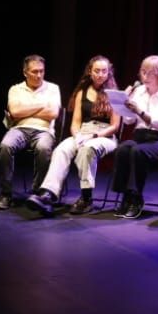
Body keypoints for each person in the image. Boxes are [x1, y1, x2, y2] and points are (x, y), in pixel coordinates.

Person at [27, 55, 120, 216]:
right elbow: (76, 123)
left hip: (104, 135)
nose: (100, 74)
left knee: (88, 149)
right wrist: (78, 136)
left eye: (104, 71)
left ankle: (86, 199)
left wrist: (94, 136)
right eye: (96, 71)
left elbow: (115, 126)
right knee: (62, 149)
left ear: (108, 73)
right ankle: (49, 194)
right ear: (90, 71)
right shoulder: (81, 92)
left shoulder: (114, 94)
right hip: (83, 132)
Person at [109, 55, 158, 219]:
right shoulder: (139, 91)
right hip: (140, 136)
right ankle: (125, 196)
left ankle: (136, 198)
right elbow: (128, 120)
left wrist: (139, 111)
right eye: (143, 72)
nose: (145, 77)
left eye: (150, 73)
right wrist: (123, 103)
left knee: (138, 151)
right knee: (123, 149)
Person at [0, 55, 60, 209]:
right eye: (34, 72)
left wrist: (26, 109)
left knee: (43, 148)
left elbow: (53, 113)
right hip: (19, 129)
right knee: (5, 146)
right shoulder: (15, 89)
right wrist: (41, 105)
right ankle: (6, 194)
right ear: (25, 72)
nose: (39, 75)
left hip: (44, 130)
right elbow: (15, 112)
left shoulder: (53, 88)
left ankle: (37, 193)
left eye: (41, 71)